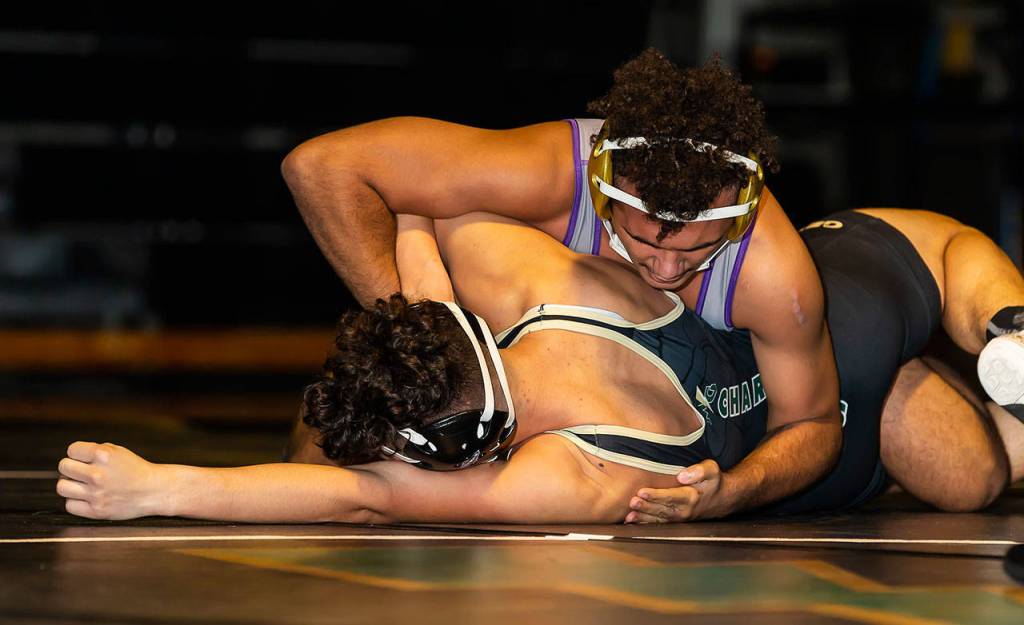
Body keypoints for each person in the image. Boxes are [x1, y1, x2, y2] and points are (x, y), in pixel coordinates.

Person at [57, 209, 1024, 522]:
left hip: (847, 380)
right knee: (962, 306)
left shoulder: (560, 473)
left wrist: (164, 486)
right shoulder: (510, 271)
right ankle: (1004, 332)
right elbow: (413, 207)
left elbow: (364, 497)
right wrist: (418, 277)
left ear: (457, 446)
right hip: (844, 284)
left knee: (986, 455)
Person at [281, 49, 844, 511]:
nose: (668, 270)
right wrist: (424, 337)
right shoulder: (551, 174)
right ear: (603, 193)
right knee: (330, 436)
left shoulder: (773, 277)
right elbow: (322, 168)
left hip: (694, 396)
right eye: (647, 241)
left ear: (735, 218)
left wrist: (736, 493)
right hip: (539, 353)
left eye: (699, 250)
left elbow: (814, 422)